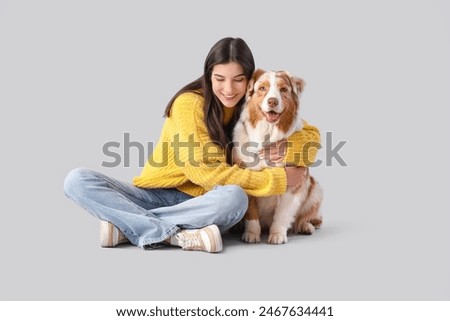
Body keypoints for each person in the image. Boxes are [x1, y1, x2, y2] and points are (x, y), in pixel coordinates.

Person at [63, 37, 321, 253]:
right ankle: (174, 235)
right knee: (77, 180)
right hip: (160, 195)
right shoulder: (189, 103)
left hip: (207, 201)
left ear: (249, 81)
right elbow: (204, 173)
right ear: (208, 75)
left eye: (238, 80)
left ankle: (127, 226)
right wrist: (278, 179)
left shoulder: (253, 99)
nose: (229, 89)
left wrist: (290, 148)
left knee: (233, 198)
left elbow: (308, 132)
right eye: (220, 78)